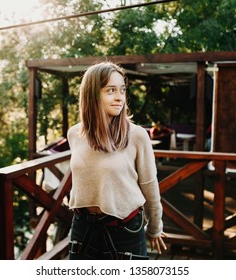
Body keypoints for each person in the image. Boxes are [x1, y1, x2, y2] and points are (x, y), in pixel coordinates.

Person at [67, 61, 167, 260]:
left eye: (122, 90)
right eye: (110, 90)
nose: (119, 97)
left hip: (124, 230)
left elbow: (150, 187)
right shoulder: (74, 134)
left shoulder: (137, 135)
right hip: (82, 227)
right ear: (92, 94)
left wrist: (155, 227)